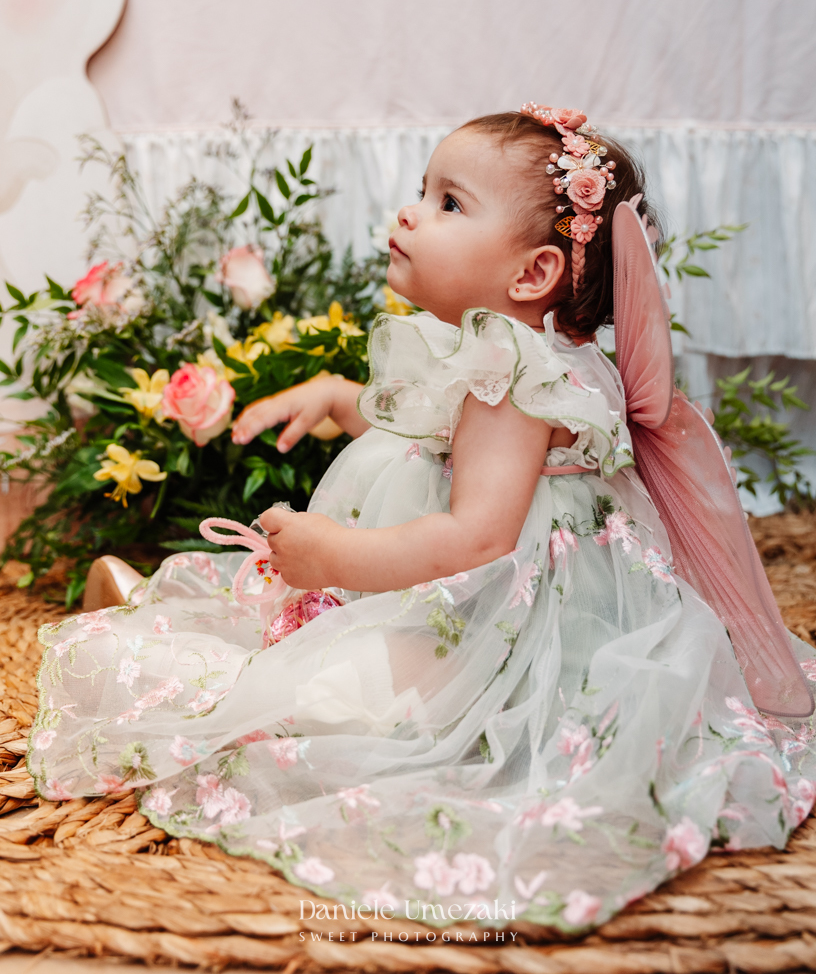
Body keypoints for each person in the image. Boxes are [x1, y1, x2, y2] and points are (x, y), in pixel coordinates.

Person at [31, 105, 816, 933]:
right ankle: (197, 622)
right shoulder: (533, 353)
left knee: (315, 703)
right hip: (524, 615)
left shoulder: (514, 375)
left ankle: (152, 645)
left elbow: (475, 537)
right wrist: (340, 400)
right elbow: (447, 444)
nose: (411, 212)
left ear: (532, 272)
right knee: (308, 640)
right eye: (422, 191)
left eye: (450, 203)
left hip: (489, 631)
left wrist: (338, 554)